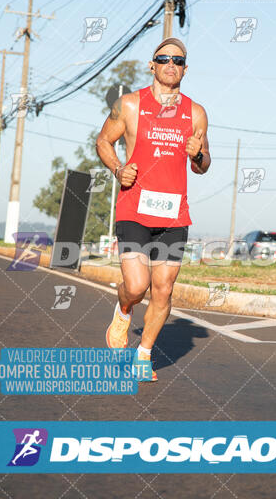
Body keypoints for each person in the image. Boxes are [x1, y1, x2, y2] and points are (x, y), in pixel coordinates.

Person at [96, 37, 210, 381]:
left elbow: (203, 166)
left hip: (174, 214)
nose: (171, 65)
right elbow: (103, 141)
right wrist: (118, 169)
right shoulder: (129, 105)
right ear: (152, 65)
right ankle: (124, 308)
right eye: (164, 59)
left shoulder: (196, 113)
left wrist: (198, 154)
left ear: (185, 69)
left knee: (164, 289)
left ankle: (144, 354)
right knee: (136, 284)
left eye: (178, 60)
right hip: (134, 208)